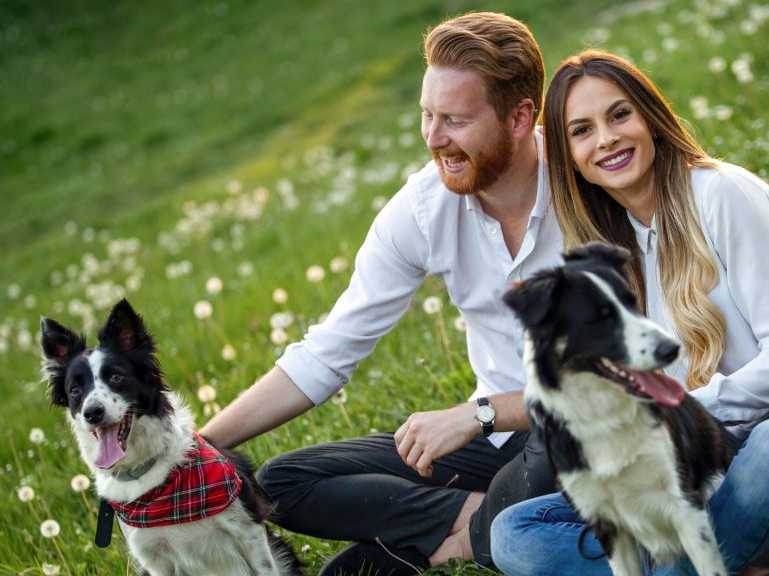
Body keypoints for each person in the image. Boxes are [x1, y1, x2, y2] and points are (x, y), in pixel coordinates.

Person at [489, 49, 769, 576]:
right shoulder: (611, 257)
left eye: (619, 115)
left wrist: (679, 414)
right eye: (582, 130)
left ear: (650, 117)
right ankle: (756, 558)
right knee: (516, 533)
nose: (607, 139)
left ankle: (697, 563)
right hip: (712, 466)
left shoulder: (723, 194)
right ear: (568, 156)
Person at [199, 12, 562, 576]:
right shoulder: (422, 209)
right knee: (281, 483)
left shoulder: (586, 186)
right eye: (427, 115)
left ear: (520, 117)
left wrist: (480, 412)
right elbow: (327, 352)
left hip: (579, 428)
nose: (434, 138)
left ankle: (477, 533)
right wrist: (195, 449)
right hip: (492, 444)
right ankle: (478, 521)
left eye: (456, 120)